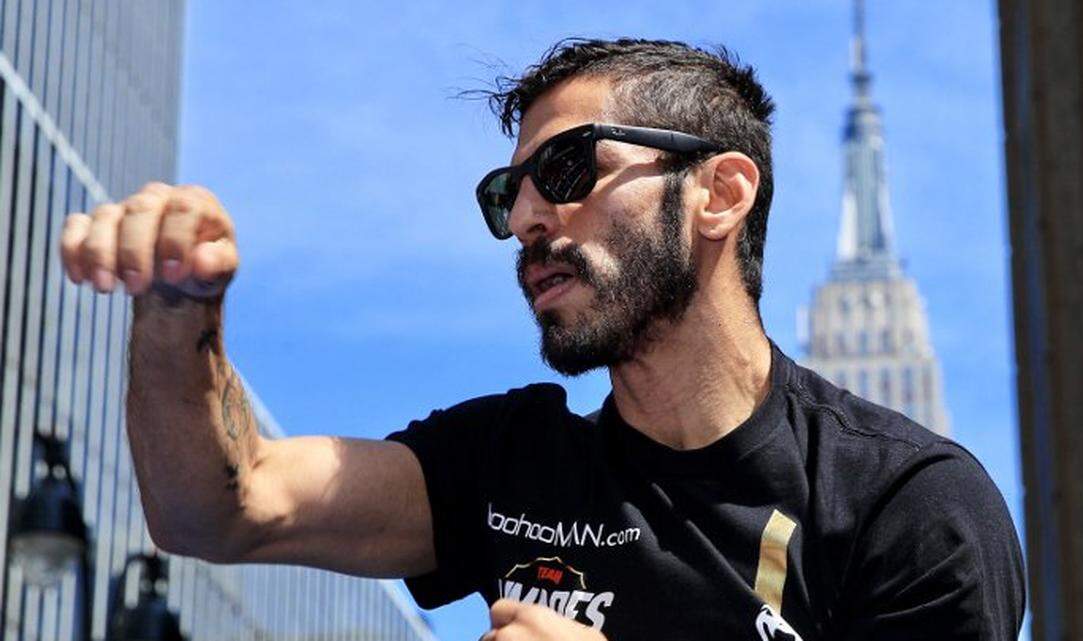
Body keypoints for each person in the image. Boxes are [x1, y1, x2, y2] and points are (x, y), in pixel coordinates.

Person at [58, 39, 1024, 641]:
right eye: (504, 193)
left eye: (567, 167)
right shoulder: (509, 463)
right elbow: (224, 509)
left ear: (722, 192)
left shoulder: (908, 507)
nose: (525, 216)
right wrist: (178, 306)